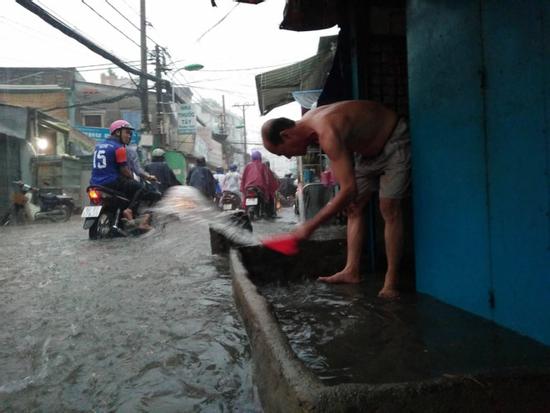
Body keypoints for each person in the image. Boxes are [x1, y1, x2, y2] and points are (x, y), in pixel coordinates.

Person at [261, 100, 411, 298]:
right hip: (365, 154)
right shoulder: (310, 127)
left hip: (393, 140)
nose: (288, 158)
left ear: (286, 135)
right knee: (354, 208)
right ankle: (351, 270)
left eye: (282, 152)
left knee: (388, 207)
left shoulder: (326, 131)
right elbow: (347, 189)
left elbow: (348, 190)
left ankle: (390, 282)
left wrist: (309, 226)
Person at [89, 119, 152, 231]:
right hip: (112, 182)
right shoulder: (119, 148)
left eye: (130, 133)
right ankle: (129, 210)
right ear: (118, 133)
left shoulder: (98, 146)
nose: (129, 136)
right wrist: (132, 178)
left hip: (94, 183)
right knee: (140, 188)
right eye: (127, 132)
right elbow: (124, 170)